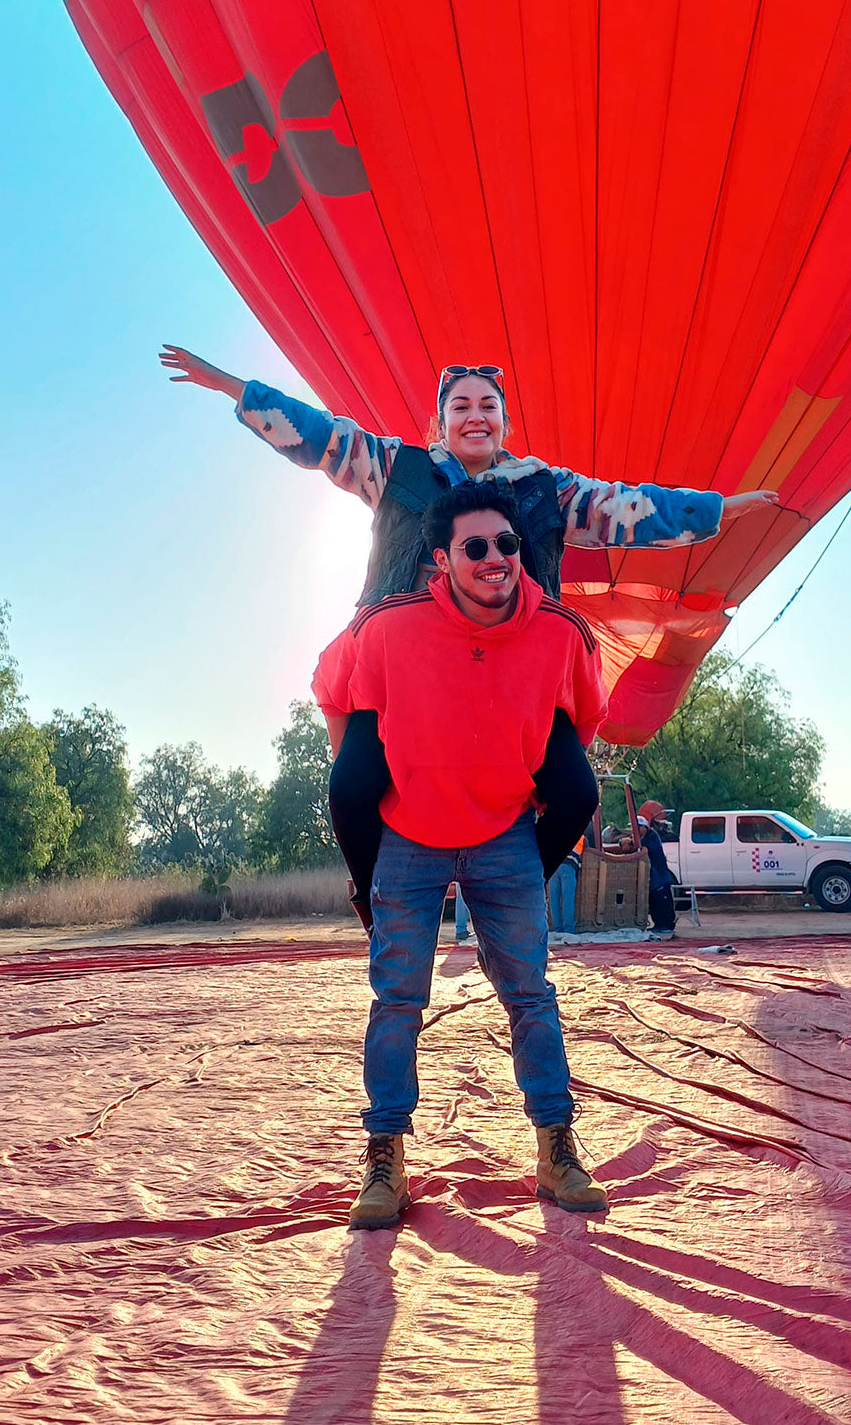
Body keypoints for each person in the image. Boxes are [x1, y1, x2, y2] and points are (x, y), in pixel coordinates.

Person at [160, 346, 778, 926]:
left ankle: (509, 895)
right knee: (350, 786)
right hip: (407, 674)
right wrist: (232, 387)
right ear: (440, 421)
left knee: (575, 791)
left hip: (516, 675)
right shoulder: (395, 467)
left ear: (505, 423)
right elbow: (321, 435)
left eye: (488, 406)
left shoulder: (545, 489)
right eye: (461, 406)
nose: (475, 417)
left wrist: (717, 511)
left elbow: (629, 510)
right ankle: (373, 897)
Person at [312, 480, 610, 1229]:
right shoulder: (388, 629)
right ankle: (385, 1158)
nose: (495, 558)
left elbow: (584, 722)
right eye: (475, 547)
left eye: (507, 544)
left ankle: (555, 1146)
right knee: (398, 1003)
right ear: (441, 559)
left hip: (504, 833)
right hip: (409, 835)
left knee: (531, 997)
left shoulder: (560, 632)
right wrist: (365, 866)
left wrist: (535, 831)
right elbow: (341, 704)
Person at [638, 801, 678, 939]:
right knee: (654, 901)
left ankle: (667, 925)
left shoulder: (651, 837)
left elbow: (643, 849)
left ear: (644, 826)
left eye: (639, 828)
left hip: (660, 876)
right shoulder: (645, 837)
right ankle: (659, 924)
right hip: (653, 877)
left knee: (662, 901)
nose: (637, 831)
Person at [547, 839, 582, 934]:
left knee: (554, 899)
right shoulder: (581, 836)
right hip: (568, 866)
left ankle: (558, 928)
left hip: (553, 866)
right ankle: (569, 930)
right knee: (568, 899)